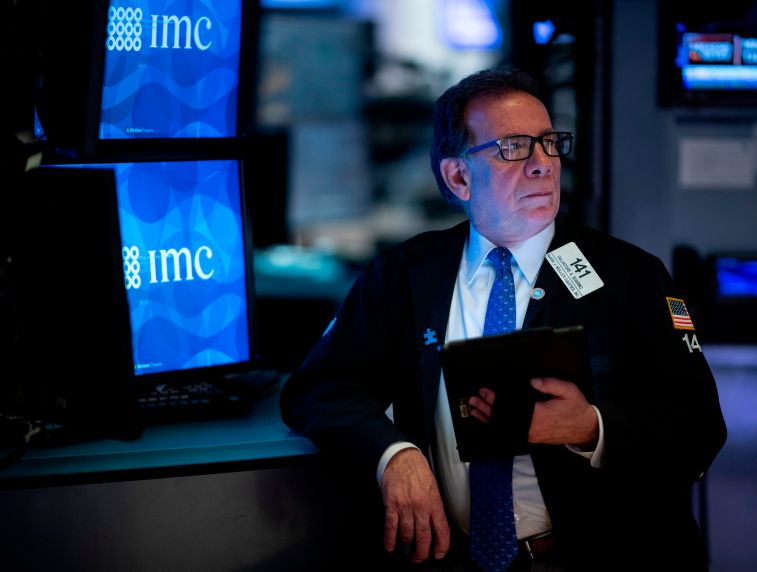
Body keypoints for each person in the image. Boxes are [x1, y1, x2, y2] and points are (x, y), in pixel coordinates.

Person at [280, 66, 727, 571]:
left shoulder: (631, 276)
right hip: (453, 558)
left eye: (549, 143)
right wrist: (394, 456)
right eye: (514, 147)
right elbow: (317, 390)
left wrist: (591, 428)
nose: (543, 165)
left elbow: (699, 429)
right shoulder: (406, 274)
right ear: (458, 176)